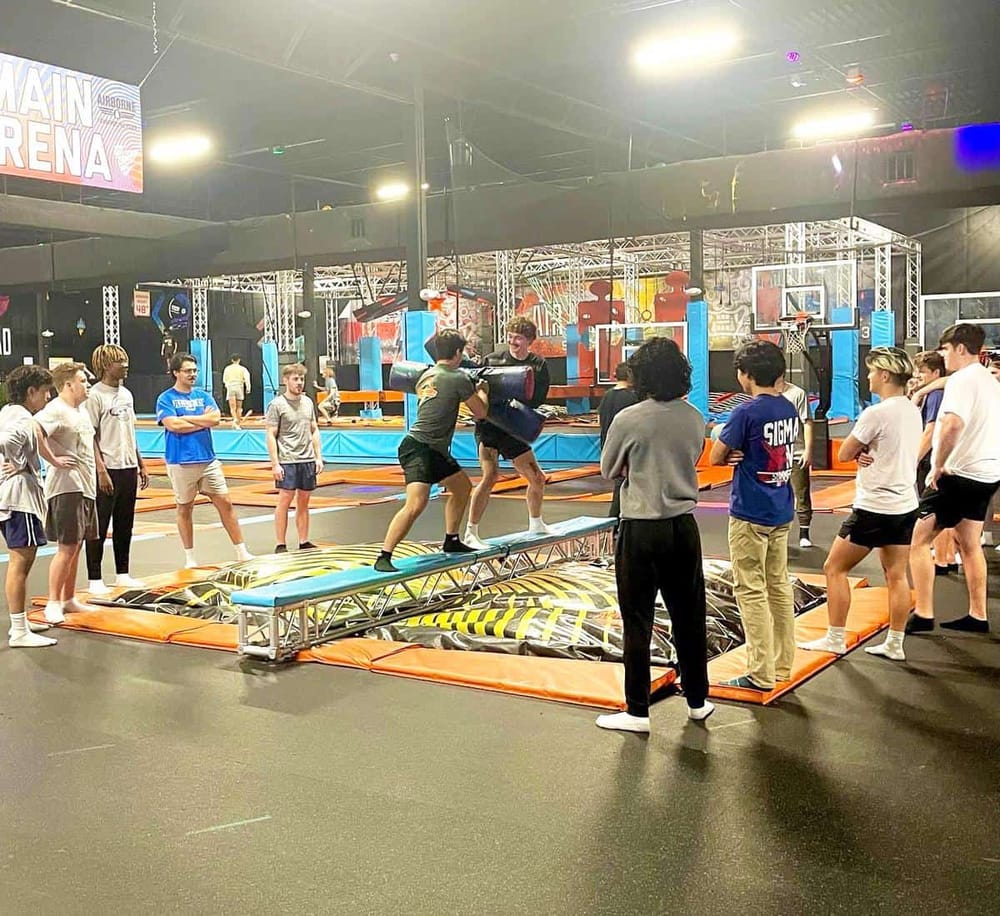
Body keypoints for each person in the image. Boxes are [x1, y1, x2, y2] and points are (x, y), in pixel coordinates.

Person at [596, 338, 713, 732]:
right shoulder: (695, 416)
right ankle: (698, 701)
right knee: (689, 616)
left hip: (642, 527)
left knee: (638, 620)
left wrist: (637, 465)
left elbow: (609, 470)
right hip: (684, 526)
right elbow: (689, 458)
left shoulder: (629, 418)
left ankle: (637, 711)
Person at [799, 348, 922, 660]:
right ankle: (895, 644)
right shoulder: (911, 409)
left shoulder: (876, 413)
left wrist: (858, 450)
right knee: (896, 575)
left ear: (884, 375)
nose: (866, 377)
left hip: (874, 507)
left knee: (834, 568)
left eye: (870, 372)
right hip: (905, 505)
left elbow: (842, 453)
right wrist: (864, 450)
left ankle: (835, 638)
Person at [709, 340, 799, 691]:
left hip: (751, 511)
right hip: (780, 508)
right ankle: (781, 666)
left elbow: (717, 456)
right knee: (778, 585)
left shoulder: (745, 412)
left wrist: (731, 452)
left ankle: (760, 672)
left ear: (744, 375)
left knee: (750, 589)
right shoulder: (788, 408)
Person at [907, 323, 1000, 635]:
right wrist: (924, 388)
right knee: (969, 542)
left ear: (960, 348)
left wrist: (938, 464)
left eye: (945, 349)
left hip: (958, 474)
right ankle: (977, 615)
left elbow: (952, 425)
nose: (942, 356)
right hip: (987, 474)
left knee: (917, 541)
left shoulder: (961, 381)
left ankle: (923, 612)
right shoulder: (988, 379)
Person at [375, 329, 489, 572]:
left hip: (431, 448)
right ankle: (384, 556)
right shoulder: (458, 378)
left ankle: (451, 540)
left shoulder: (426, 375)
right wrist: (482, 391)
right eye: (463, 351)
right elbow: (480, 412)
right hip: (420, 448)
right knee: (416, 504)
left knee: (462, 487)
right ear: (458, 353)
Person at [157, 353, 253, 568]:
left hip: (208, 459)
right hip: (180, 461)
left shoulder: (203, 396)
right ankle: (190, 558)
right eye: (188, 371)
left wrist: (187, 418)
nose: (192, 374)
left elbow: (215, 419)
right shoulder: (166, 398)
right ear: (176, 373)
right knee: (184, 507)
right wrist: (202, 421)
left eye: (194, 370)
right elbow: (173, 426)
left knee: (225, 503)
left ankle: (242, 551)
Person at [464, 316, 552, 549]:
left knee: (537, 478)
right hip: (491, 426)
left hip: (514, 426)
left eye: (519, 338)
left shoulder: (539, 366)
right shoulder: (493, 360)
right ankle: (470, 532)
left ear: (529, 341)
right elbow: (478, 389)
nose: (513, 342)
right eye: (510, 337)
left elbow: (538, 398)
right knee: (490, 475)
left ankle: (536, 523)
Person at [0, 366, 69, 647]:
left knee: (21, 561)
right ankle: (18, 631)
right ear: (31, 392)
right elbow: (5, 440)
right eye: (45, 391)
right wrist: (15, 463)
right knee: (21, 561)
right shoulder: (23, 419)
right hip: (19, 498)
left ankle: (21, 621)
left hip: (12, 496)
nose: (48, 396)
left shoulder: (8, 412)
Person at [35, 363, 101, 625]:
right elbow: (35, 431)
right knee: (67, 547)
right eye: (83, 381)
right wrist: (53, 459)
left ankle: (68, 598)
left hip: (86, 485)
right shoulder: (55, 410)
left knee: (78, 544)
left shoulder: (80, 411)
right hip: (66, 487)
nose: (87, 385)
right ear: (68, 385)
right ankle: (53, 601)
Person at [84, 345, 149, 594]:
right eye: (119, 362)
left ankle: (123, 573)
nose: (125, 365)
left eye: (125, 360)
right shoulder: (95, 396)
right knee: (99, 525)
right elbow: (90, 435)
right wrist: (100, 470)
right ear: (105, 366)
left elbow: (129, 432)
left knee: (125, 523)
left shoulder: (127, 394)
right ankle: (95, 577)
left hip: (128, 466)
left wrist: (140, 463)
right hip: (107, 467)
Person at [265, 363, 324, 552]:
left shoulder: (307, 402)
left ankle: (304, 541)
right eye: (295, 379)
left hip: (306, 459)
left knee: (304, 501)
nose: (299, 383)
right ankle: (280, 543)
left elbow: (314, 430)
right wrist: (275, 464)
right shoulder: (277, 404)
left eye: (301, 379)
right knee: (285, 500)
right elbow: (271, 434)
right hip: (287, 460)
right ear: (286, 381)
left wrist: (318, 457)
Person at [912, 351, 958, 575]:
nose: (918, 376)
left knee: (933, 512)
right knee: (945, 511)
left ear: (936, 373)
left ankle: (941, 558)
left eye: (922, 372)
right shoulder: (938, 391)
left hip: (932, 460)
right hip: (942, 459)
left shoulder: (935, 395)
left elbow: (930, 432)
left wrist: (914, 460)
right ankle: (946, 556)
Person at [777, 374, 815, 547]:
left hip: (796, 452)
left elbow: (807, 422)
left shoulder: (797, 393)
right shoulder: (766, 395)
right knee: (775, 495)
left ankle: (804, 532)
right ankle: (778, 534)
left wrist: (808, 450)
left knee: (801, 492)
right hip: (774, 455)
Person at [598, 362, 639, 521]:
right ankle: (614, 521)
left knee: (620, 481)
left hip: (608, 446)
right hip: (625, 447)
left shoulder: (607, 396)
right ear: (630, 376)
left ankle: (617, 520)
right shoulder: (631, 397)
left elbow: (600, 419)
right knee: (622, 482)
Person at [223, 354, 252, 428]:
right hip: (239, 387)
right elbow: (247, 379)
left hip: (230, 387)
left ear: (232, 360)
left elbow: (224, 380)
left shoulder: (227, 368)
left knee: (232, 408)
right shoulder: (243, 369)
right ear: (239, 360)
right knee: (239, 407)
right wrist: (248, 388)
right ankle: (238, 423)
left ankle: (235, 420)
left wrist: (227, 386)